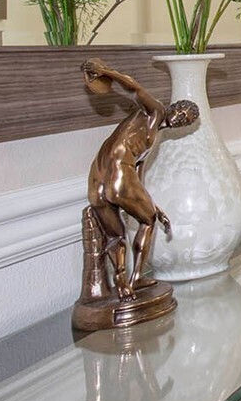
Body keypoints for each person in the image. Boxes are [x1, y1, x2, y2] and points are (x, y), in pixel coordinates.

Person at [82, 59, 197, 298]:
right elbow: (134, 88)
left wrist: (154, 207)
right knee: (147, 222)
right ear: (174, 107)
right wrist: (106, 72)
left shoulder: (150, 138)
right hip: (116, 172)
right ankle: (136, 278)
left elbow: (136, 183)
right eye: (182, 112)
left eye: (186, 120)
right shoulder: (154, 111)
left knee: (116, 234)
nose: (181, 119)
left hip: (98, 179)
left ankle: (121, 282)